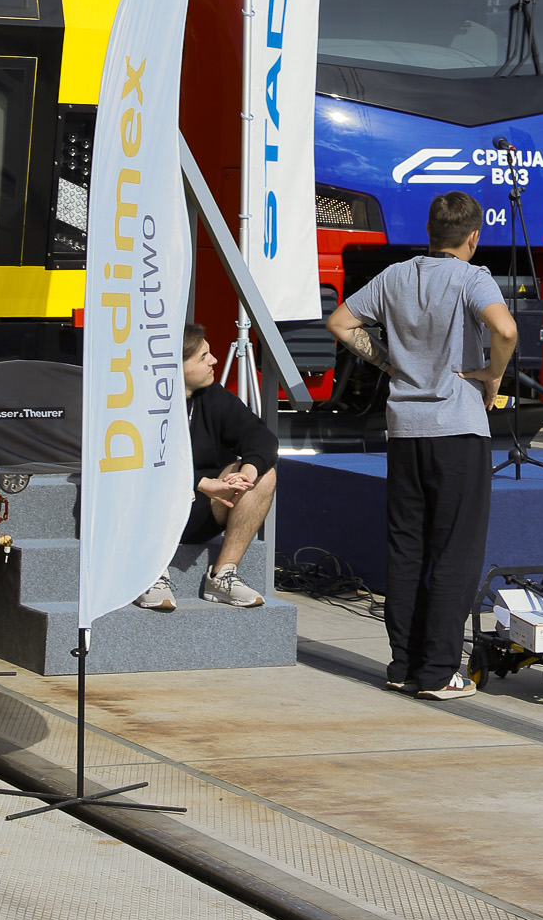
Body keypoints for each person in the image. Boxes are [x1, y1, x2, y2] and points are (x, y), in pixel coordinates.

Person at [326, 190, 518, 700]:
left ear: (429, 232)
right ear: (474, 236)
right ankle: (438, 671)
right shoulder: (471, 277)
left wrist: (388, 361)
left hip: (406, 429)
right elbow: (505, 328)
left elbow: (340, 323)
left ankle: (403, 664)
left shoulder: (395, 275)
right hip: (457, 426)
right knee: (455, 551)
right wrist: (492, 378)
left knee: (407, 547)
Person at [134, 325, 279, 610]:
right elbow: (140, 464)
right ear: (177, 365)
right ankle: (149, 574)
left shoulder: (212, 396)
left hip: (201, 508)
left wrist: (248, 472)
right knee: (151, 478)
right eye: (203, 356)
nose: (214, 361)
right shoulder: (140, 400)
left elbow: (262, 438)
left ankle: (222, 575)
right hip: (145, 510)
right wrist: (199, 483)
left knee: (265, 475)